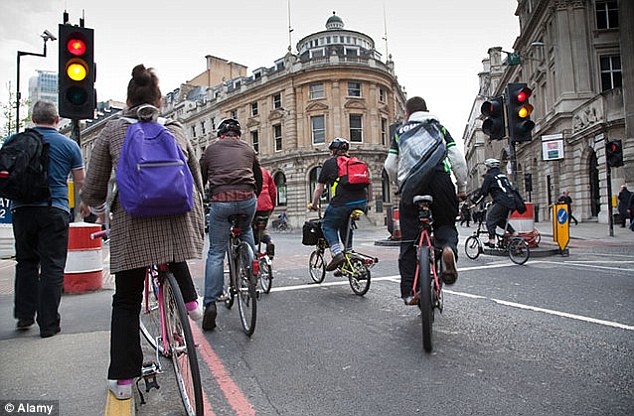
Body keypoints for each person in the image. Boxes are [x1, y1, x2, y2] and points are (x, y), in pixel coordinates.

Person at [79, 65, 205, 400]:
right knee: (170, 248)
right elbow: (194, 176)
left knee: (126, 300)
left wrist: (90, 205)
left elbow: (94, 182)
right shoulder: (175, 127)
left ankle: (122, 380)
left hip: (133, 219)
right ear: (158, 99)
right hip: (178, 216)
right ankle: (191, 302)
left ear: (128, 98)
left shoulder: (113, 129)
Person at [10, 100, 85, 338]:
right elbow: (81, 182)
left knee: (25, 262)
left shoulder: (14, 142)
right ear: (56, 120)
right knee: (52, 266)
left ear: (33, 119)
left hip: (22, 210)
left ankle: (24, 315)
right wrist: (84, 205)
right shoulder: (69, 145)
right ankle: (48, 324)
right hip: (55, 209)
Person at [384, 96, 467, 305]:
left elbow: (390, 165)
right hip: (441, 181)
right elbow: (456, 157)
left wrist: (399, 185)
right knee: (446, 224)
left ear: (407, 113)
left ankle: (410, 292)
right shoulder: (438, 127)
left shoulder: (400, 132)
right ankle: (447, 249)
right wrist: (462, 187)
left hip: (411, 188)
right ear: (427, 110)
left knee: (409, 241)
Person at [200, 118, 262, 331]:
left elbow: (201, 178)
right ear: (239, 134)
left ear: (220, 135)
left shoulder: (210, 150)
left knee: (216, 252)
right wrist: (254, 196)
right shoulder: (248, 149)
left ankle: (210, 303)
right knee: (245, 232)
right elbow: (259, 178)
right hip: (247, 199)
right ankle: (252, 268)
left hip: (221, 200)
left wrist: (204, 198)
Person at [309, 138, 369, 271]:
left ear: (334, 151)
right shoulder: (355, 161)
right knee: (345, 224)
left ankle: (337, 254)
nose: (330, 153)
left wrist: (314, 204)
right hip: (362, 202)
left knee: (328, 225)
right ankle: (348, 255)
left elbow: (319, 188)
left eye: (331, 150)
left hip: (343, 202)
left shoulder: (329, 163)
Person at [472, 159, 519, 248]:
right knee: (500, 220)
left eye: (486, 167)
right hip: (513, 201)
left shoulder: (489, 176)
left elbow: (483, 191)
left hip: (502, 202)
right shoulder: (502, 175)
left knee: (490, 220)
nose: (486, 169)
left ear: (489, 167)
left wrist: (475, 201)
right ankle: (515, 234)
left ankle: (492, 241)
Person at [253, 166, 277, 257]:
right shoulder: (264, 171)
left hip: (252, 205)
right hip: (266, 205)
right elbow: (273, 191)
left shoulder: (244, 171)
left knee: (247, 230)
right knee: (262, 229)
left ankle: (251, 254)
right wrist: (272, 207)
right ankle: (269, 241)